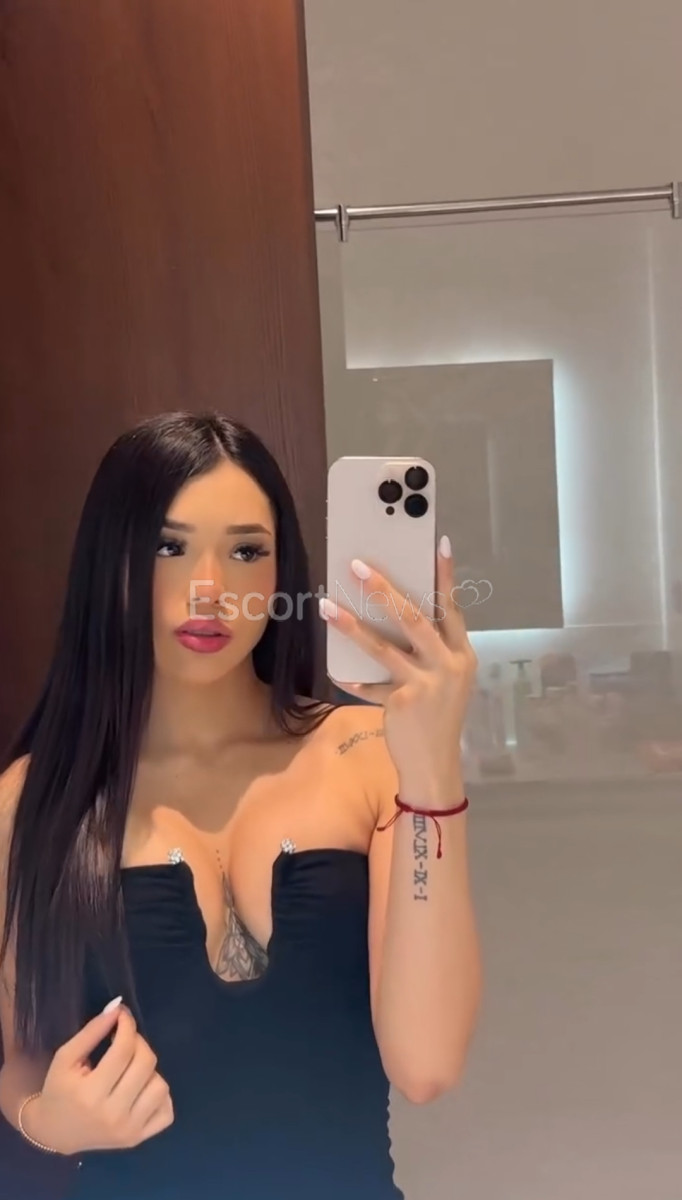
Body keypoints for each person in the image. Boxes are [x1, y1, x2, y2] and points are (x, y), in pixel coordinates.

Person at [0, 411, 482, 1200]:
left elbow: (426, 1065)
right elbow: (20, 1056)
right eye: (169, 546)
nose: (209, 589)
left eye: (246, 551)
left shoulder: (369, 755)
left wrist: (432, 767)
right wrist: (46, 1120)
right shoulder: (33, 799)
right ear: (111, 562)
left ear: (281, 573)